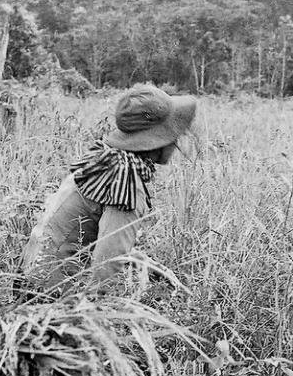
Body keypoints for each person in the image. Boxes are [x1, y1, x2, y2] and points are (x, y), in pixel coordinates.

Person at [19, 83, 196, 297]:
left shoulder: (105, 159)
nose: (177, 139)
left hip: (30, 277)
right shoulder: (126, 182)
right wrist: (98, 310)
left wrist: (151, 266)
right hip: (52, 294)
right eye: (174, 131)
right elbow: (107, 265)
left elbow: (100, 239)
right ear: (159, 139)